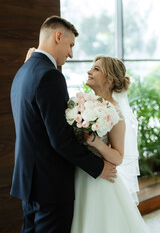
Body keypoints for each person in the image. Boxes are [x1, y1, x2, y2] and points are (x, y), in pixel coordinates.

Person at [10, 16, 117, 233]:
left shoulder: (23, 71)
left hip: (28, 180)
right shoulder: (50, 75)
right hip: (50, 184)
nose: (71, 54)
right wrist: (98, 167)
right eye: (70, 45)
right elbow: (60, 139)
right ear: (58, 37)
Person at [70, 55, 150, 233]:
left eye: (96, 69)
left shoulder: (115, 112)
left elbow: (119, 157)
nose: (89, 71)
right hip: (78, 176)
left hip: (100, 182)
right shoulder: (83, 103)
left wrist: (96, 143)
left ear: (110, 79)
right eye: (92, 67)